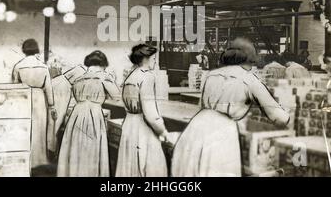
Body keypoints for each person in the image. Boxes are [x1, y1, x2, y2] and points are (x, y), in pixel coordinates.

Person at [171, 38, 290, 177]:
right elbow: (279, 118)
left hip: (196, 126)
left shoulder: (211, 75)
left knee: (190, 174)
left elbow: (201, 105)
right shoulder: (249, 78)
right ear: (246, 60)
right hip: (221, 131)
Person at [57, 51, 120, 177]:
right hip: (94, 114)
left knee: (76, 147)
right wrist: (112, 79)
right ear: (103, 64)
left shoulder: (79, 78)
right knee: (91, 150)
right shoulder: (103, 76)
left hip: (77, 114)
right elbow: (117, 96)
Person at [115, 44, 174, 177]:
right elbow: (150, 114)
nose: (155, 61)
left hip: (129, 125)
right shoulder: (147, 76)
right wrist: (163, 131)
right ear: (146, 59)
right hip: (143, 127)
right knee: (150, 167)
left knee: (130, 167)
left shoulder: (130, 75)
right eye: (154, 58)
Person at [12, 39, 57, 171]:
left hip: (23, 98)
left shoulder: (18, 66)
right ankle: (38, 160)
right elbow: (49, 88)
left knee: (24, 129)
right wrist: (52, 106)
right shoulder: (43, 67)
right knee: (39, 130)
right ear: (36, 49)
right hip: (39, 100)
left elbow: (15, 87)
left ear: (24, 50)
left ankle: (24, 160)